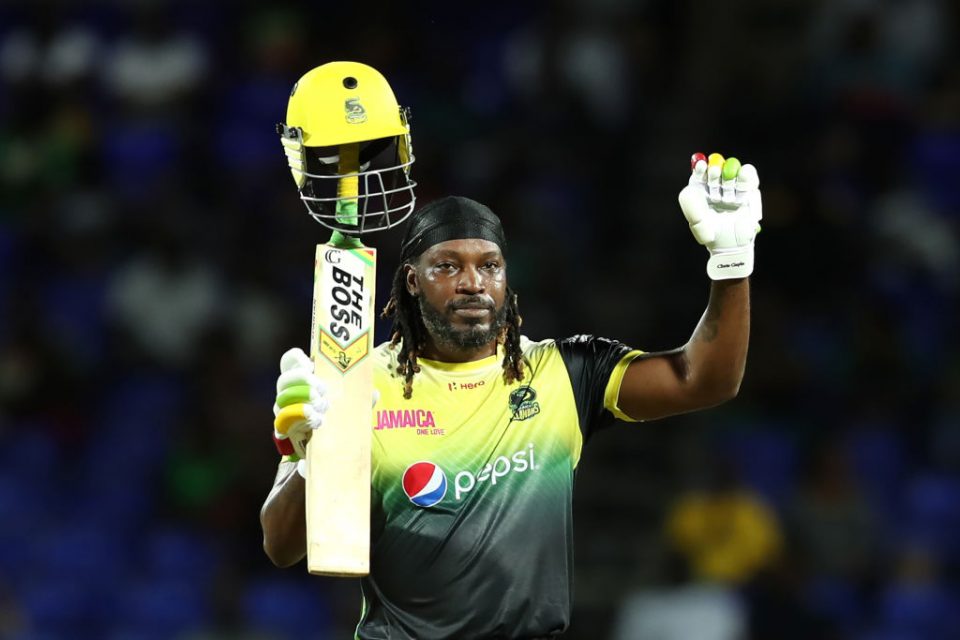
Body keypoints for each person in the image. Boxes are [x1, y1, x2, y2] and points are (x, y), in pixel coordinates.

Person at [261, 63, 762, 640]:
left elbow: (705, 380)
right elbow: (281, 545)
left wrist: (731, 264)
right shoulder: (352, 381)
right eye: (448, 266)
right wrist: (304, 456)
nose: (473, 282)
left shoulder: (564, 373)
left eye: (489, 266)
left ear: (507, 280)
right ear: (412, 281)